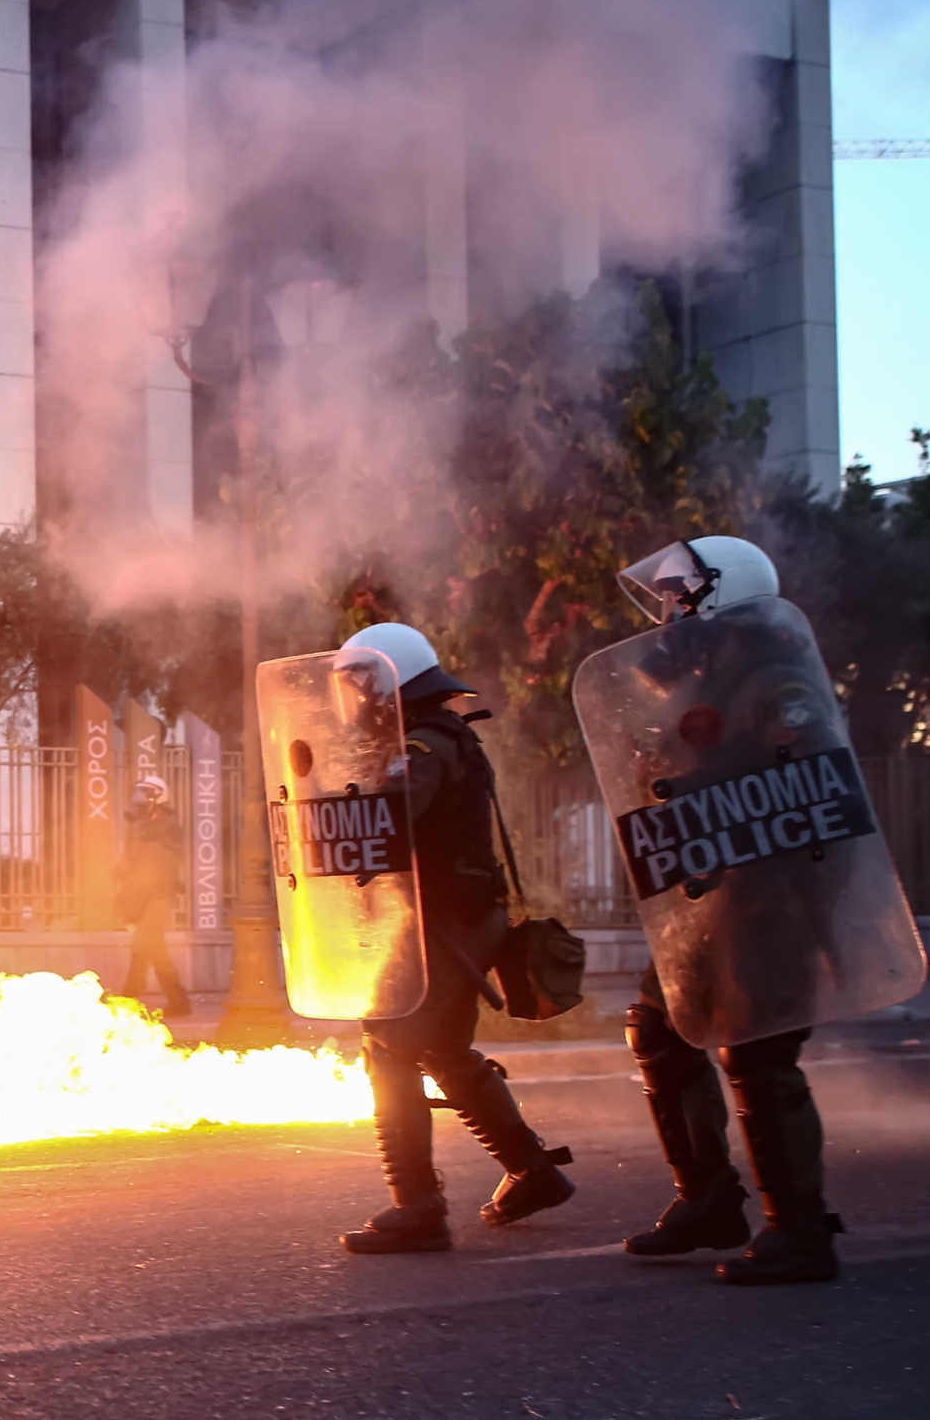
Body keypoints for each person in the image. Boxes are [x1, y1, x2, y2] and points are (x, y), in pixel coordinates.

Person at [602, 537, 848, 1284]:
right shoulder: (703, 681)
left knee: (758, 1051)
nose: (669, 608)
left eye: (680, 593)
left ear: (720, 595)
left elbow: (808, 789)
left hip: (771, 896)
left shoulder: (776, 680)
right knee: (660, 1027)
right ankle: (707, 1199)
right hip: (708, 895)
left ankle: (800, 1229)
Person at [337, 621, 575, 1255]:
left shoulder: (425, 747)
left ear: (392, 682)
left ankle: (417, 1206)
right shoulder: (437, 736)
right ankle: (534, 1171)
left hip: (450, 922)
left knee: (390, 1045)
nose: (355, 699)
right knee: (440, 1051)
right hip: (453, 919)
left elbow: (390, 814)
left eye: (362, 684)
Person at [115, 776, 189, 1018]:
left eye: (146, 793)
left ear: (159, 797)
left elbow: (161, 861)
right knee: (149, 948)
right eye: (139, 792)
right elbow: (132, 860)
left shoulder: (167, 825)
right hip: (142, 895)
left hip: (158, 894)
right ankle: (176, 1003)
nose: (139, 798)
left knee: (145, 945)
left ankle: (129, 998)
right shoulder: (139, 825)